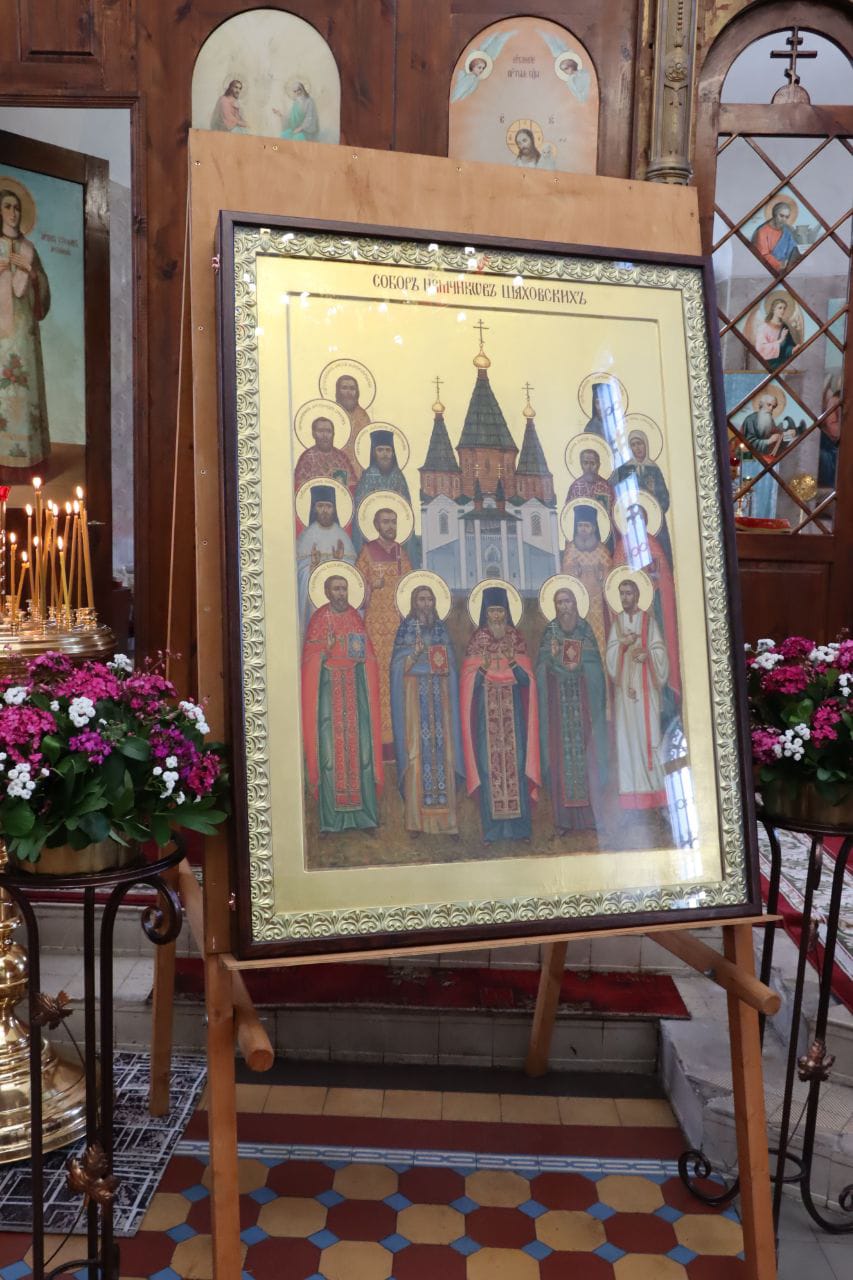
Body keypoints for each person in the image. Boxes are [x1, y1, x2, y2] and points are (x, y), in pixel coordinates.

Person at [301, 572, 383, 833]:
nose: (341, 594)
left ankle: (364, 819)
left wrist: (363, 661)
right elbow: (309, 659)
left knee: (362, 753)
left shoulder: (355, 617)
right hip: (329, 691)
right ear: (327, 592)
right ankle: (332, 821)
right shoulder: (319, 619)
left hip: (354, 692)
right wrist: (324, 651)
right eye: (336, 589)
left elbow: (369, 656)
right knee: (329, 754)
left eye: (344, 589)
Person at [460, 585, 540, 842]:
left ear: (507, 612)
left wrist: (512, 661)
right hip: (486, 715)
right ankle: (493, 831)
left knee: (517, 766)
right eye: (492, 611)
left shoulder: (515, 639)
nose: (496, 616)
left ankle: (520, 829)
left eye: (500, 611)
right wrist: (483, 669)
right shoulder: (477, 641)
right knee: (488, 767)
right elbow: (469, 684)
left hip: (514, 714)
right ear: (485, 613)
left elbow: (526, 682)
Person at [390, 582, 464, 835]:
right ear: (414, 603)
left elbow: (451, 665)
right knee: (416, 753)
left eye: (429, 599)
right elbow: (397, 668)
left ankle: (448, 824)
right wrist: (413, 655)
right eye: (421, 599)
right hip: (414, 699)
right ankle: (416, 822)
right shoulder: (405, 630)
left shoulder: (441, 630)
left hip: (440, 698)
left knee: (444, 754)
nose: (426, 604)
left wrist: (443, 668)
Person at [536, 586, 608, 834]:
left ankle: (589, 819)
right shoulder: (550, 632)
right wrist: (552, 661)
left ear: (575, 603)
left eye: (567, 601)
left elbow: (596, 669)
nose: (564, 607)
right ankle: (563, 821)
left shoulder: (585, 630)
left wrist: (580, 669)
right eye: (559, 602)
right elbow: (540, 669)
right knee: (560, 762)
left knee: (588, 760)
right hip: (558, 712)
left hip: (583, 710)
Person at [605, 575, 669, 812]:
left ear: (637, 595)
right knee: (628, 739)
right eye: (621, 593)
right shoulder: (617, 624)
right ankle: (632, 796)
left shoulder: (648, 622)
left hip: (646, 691)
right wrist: (622, 644)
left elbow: (660, 651)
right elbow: (610, 659)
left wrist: (648, 655)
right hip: (625, 694)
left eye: (628, 593)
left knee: (649, 736)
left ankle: (655, 793)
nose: (624, 598)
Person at [0, 186, 50, 475]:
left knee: (25, 388)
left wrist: (31, 273)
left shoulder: (30, 248)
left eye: (17, 208)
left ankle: (28, 460)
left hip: (25, 333)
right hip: (1, 335)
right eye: (8, 206)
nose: (13, 213)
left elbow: (42, 285)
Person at [355, 505, 413, 751]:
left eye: (393, 521)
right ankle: (379, 740)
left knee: (397, 677)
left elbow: (410, 587)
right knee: (377, 678)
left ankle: (398, 738)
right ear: (377, 525)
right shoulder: (367, 552)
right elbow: (356, 591)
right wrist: (371, 586)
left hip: (398, 626)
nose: (390, 526)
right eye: (385, 521)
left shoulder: (401, 553)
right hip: (375, 626)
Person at [612, 499, 680, 701]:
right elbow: (617, 575)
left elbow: (663, 576)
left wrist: (653, 578)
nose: (635, 522)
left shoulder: (653, 544)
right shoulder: (622, 545)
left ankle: (662, 697)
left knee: (654, 645)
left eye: (639, 518)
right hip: (628, 609)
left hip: (653, 605)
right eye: (631, 518)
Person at [295, 484, 356, 635]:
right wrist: (312, 566)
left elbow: (352, 572)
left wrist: (339, 563)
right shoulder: (306, 536)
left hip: (338, 597)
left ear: (334, 509)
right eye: (320, 506)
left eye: (328, 506)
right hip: (314, 595)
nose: (324, 510)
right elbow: (298, 573)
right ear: (314, 508)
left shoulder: (342, 537)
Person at [611, 429, 673, 567]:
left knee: (659, 559)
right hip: (631, 521)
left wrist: (653, 496)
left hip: (655, 523)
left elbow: (665, 500)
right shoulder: (624, 470)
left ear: (646, 445)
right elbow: (619, 497)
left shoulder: (654, 469)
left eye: (640, 443)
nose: (637, 448)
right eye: (633, 445)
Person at [561, 504, 612, 665]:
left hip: (597, 603)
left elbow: (609, 578)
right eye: (580, 525)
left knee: (598, 637)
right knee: (575, 635)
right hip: (576, 603)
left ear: (593, 528)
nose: (583, 529)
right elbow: (566, 577)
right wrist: (573, 570)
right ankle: (575, 671)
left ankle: (600, 669)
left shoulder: (602, 550)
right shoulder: (571, 549)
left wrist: (601, 573)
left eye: (587, 526)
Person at [353, 429, 413, 554]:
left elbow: (407, 509)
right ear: (374, 453)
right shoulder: (368, 476)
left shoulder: (398, 477)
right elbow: (360, 510)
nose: (384, 454)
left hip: (395, 531)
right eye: (380, 450)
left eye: (388, 450)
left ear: (393, 453)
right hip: (371, 531)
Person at [294, 415, 357, 493]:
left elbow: (353, 486)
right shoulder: (306, 458)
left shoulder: (342, 458)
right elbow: (299, 488)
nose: (325, 435)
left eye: (328, 431)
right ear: (313, 434)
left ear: (333, 434)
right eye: (320, 431)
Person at [334, 372, 370, 473]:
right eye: (344, 388)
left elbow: (366, 444)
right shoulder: (332, 413)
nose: (348, 392)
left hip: (358, 465)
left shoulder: (363, 416)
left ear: (357, 392)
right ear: (338, 391)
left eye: (352, 388)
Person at [752, 201, 800, 274]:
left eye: (786, 217)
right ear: (774, 214)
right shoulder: (762, 231)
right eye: (781, 216)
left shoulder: (787, 231)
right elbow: (763, 255)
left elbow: (793, 250)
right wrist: (780, 265)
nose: (784, 219)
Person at [754, 297, 796, 370]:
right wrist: (780, 341)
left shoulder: (784, 326)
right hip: (769, 363)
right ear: (773, 309)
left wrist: (792, 350)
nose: (782, 311)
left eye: (784, 308)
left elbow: (788, 345)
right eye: (780, 308)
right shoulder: (763, 327)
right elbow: (760, 349)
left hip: (783, 362)